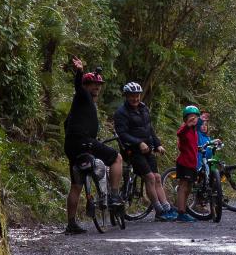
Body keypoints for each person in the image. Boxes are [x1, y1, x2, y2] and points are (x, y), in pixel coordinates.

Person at [62, 57, 124, 234]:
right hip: (84, 142)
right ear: (86, 85)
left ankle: (71, 224)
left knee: (76, 185)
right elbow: (78, 86)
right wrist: (80, 71)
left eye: (98, 84)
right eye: (92, 84)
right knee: (117, 158)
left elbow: (66, 124)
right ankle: (113, 194)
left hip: (72, 146)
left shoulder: (82, 105)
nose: (96, 87)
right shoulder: (83, 96)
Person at [113, 81, 176, 221]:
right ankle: (159, 210)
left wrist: (158, 144)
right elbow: (122, 134)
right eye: (132, 96)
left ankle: (166, 207)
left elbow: (149, 129)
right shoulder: (121, 113)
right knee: (150, 178)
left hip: (148, 149)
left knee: (158, 178)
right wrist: (138, 143)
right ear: (126, 96)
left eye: (137, 95)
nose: (135, 98)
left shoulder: (143, 109)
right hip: (132, 151)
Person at [174, 106, 202, 222]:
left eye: (195, 117)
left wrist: (199, 148)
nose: (193, 119)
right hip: (184, 163)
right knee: (183, 186)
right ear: (185, 119)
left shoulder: (194, 132)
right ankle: (181, 212)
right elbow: (179, 133)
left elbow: (192, 146)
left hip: (192, 164)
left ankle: (184, 210)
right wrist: (187, 125)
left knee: (189, 188)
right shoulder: (185, 129)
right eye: (190, 117)